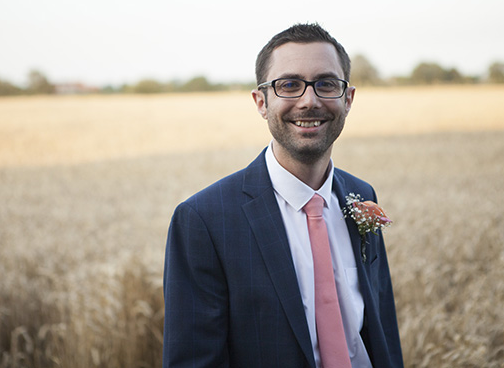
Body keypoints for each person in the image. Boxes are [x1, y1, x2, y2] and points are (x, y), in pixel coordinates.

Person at [163, 23, 403, 367]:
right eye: (289, 85)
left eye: (326, 84)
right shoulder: (204, 220)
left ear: (347, 99)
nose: (309, 100)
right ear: (261, 102)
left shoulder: (360, 195)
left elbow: (382, 330)